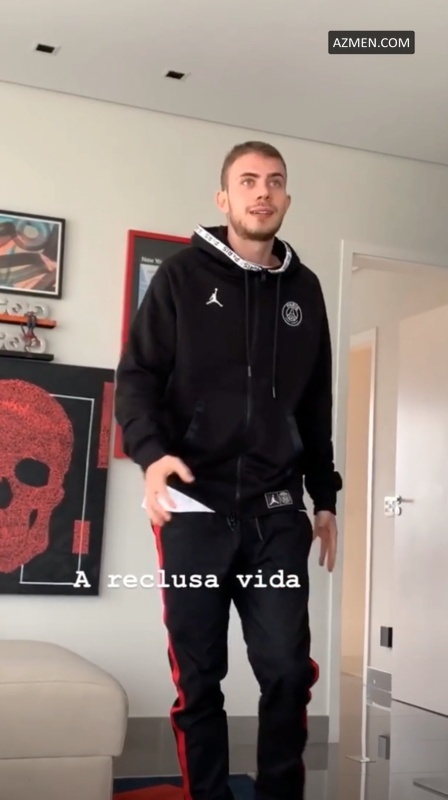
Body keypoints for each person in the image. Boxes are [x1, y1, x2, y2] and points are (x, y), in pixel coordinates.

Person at [114, 141, 342, 800]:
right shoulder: (182, 277)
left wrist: (324, 496)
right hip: (194, 508)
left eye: (274, 181)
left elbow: (316, 402)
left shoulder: (306, 291)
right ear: (224, 198)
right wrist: (152, 456)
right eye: (247, 181)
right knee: (200, 675)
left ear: (286, 198)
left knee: (287, 670)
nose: (262, 191)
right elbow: (137, 377)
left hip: (276, 511)